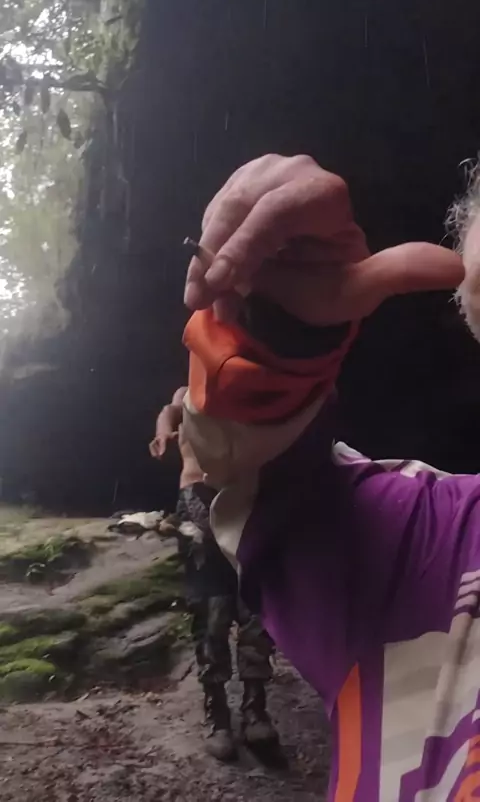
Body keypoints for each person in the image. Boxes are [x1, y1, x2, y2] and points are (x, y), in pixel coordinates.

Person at [179, 153, 480, 800]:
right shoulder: (425, 545)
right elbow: (263, 480)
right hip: (205, 532)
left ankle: (250, 710)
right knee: (216, 618)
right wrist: (280, 335)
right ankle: (225, 712)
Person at [149, 388, 278, 762]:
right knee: (210, 610)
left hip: (246, 501)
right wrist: (163, 432)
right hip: (197, 499)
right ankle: (217, 715)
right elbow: (170, 409)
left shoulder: (253, 386)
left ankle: (255, 711)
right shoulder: (189, 391)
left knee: (254, 607)